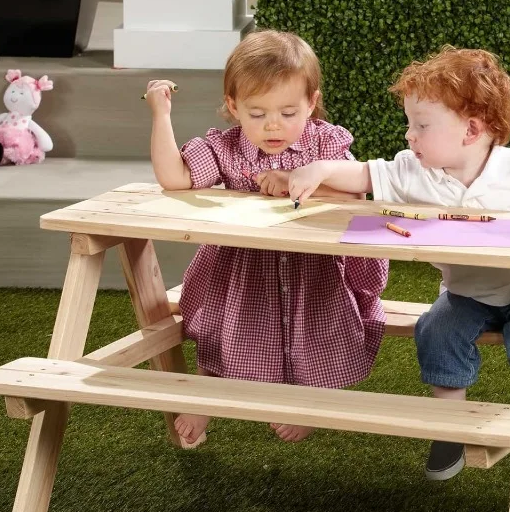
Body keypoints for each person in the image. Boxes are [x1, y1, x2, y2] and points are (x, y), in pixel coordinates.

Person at [287, 45, 510, 490]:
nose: (410, 136)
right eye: (410, 124)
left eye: (422, 126)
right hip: (466, 294)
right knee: (436, 328)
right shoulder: (417, 172)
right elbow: (364, 176)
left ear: (471, 130)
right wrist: (318, 169)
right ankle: (449, 423)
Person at [145, 30, 388, 444]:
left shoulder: (324, 143)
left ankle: (307, 398)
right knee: (228, 328)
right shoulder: (227, 147)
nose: (273, 125)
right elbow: (174, 178)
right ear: (234, 107)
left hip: (315, 269)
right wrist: (161, 115)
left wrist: (297, 179)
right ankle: (211, 392)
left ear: (311, 103)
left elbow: (357, 192)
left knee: (318, 330)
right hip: (244, 267)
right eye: (257, 114)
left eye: (288, 112)